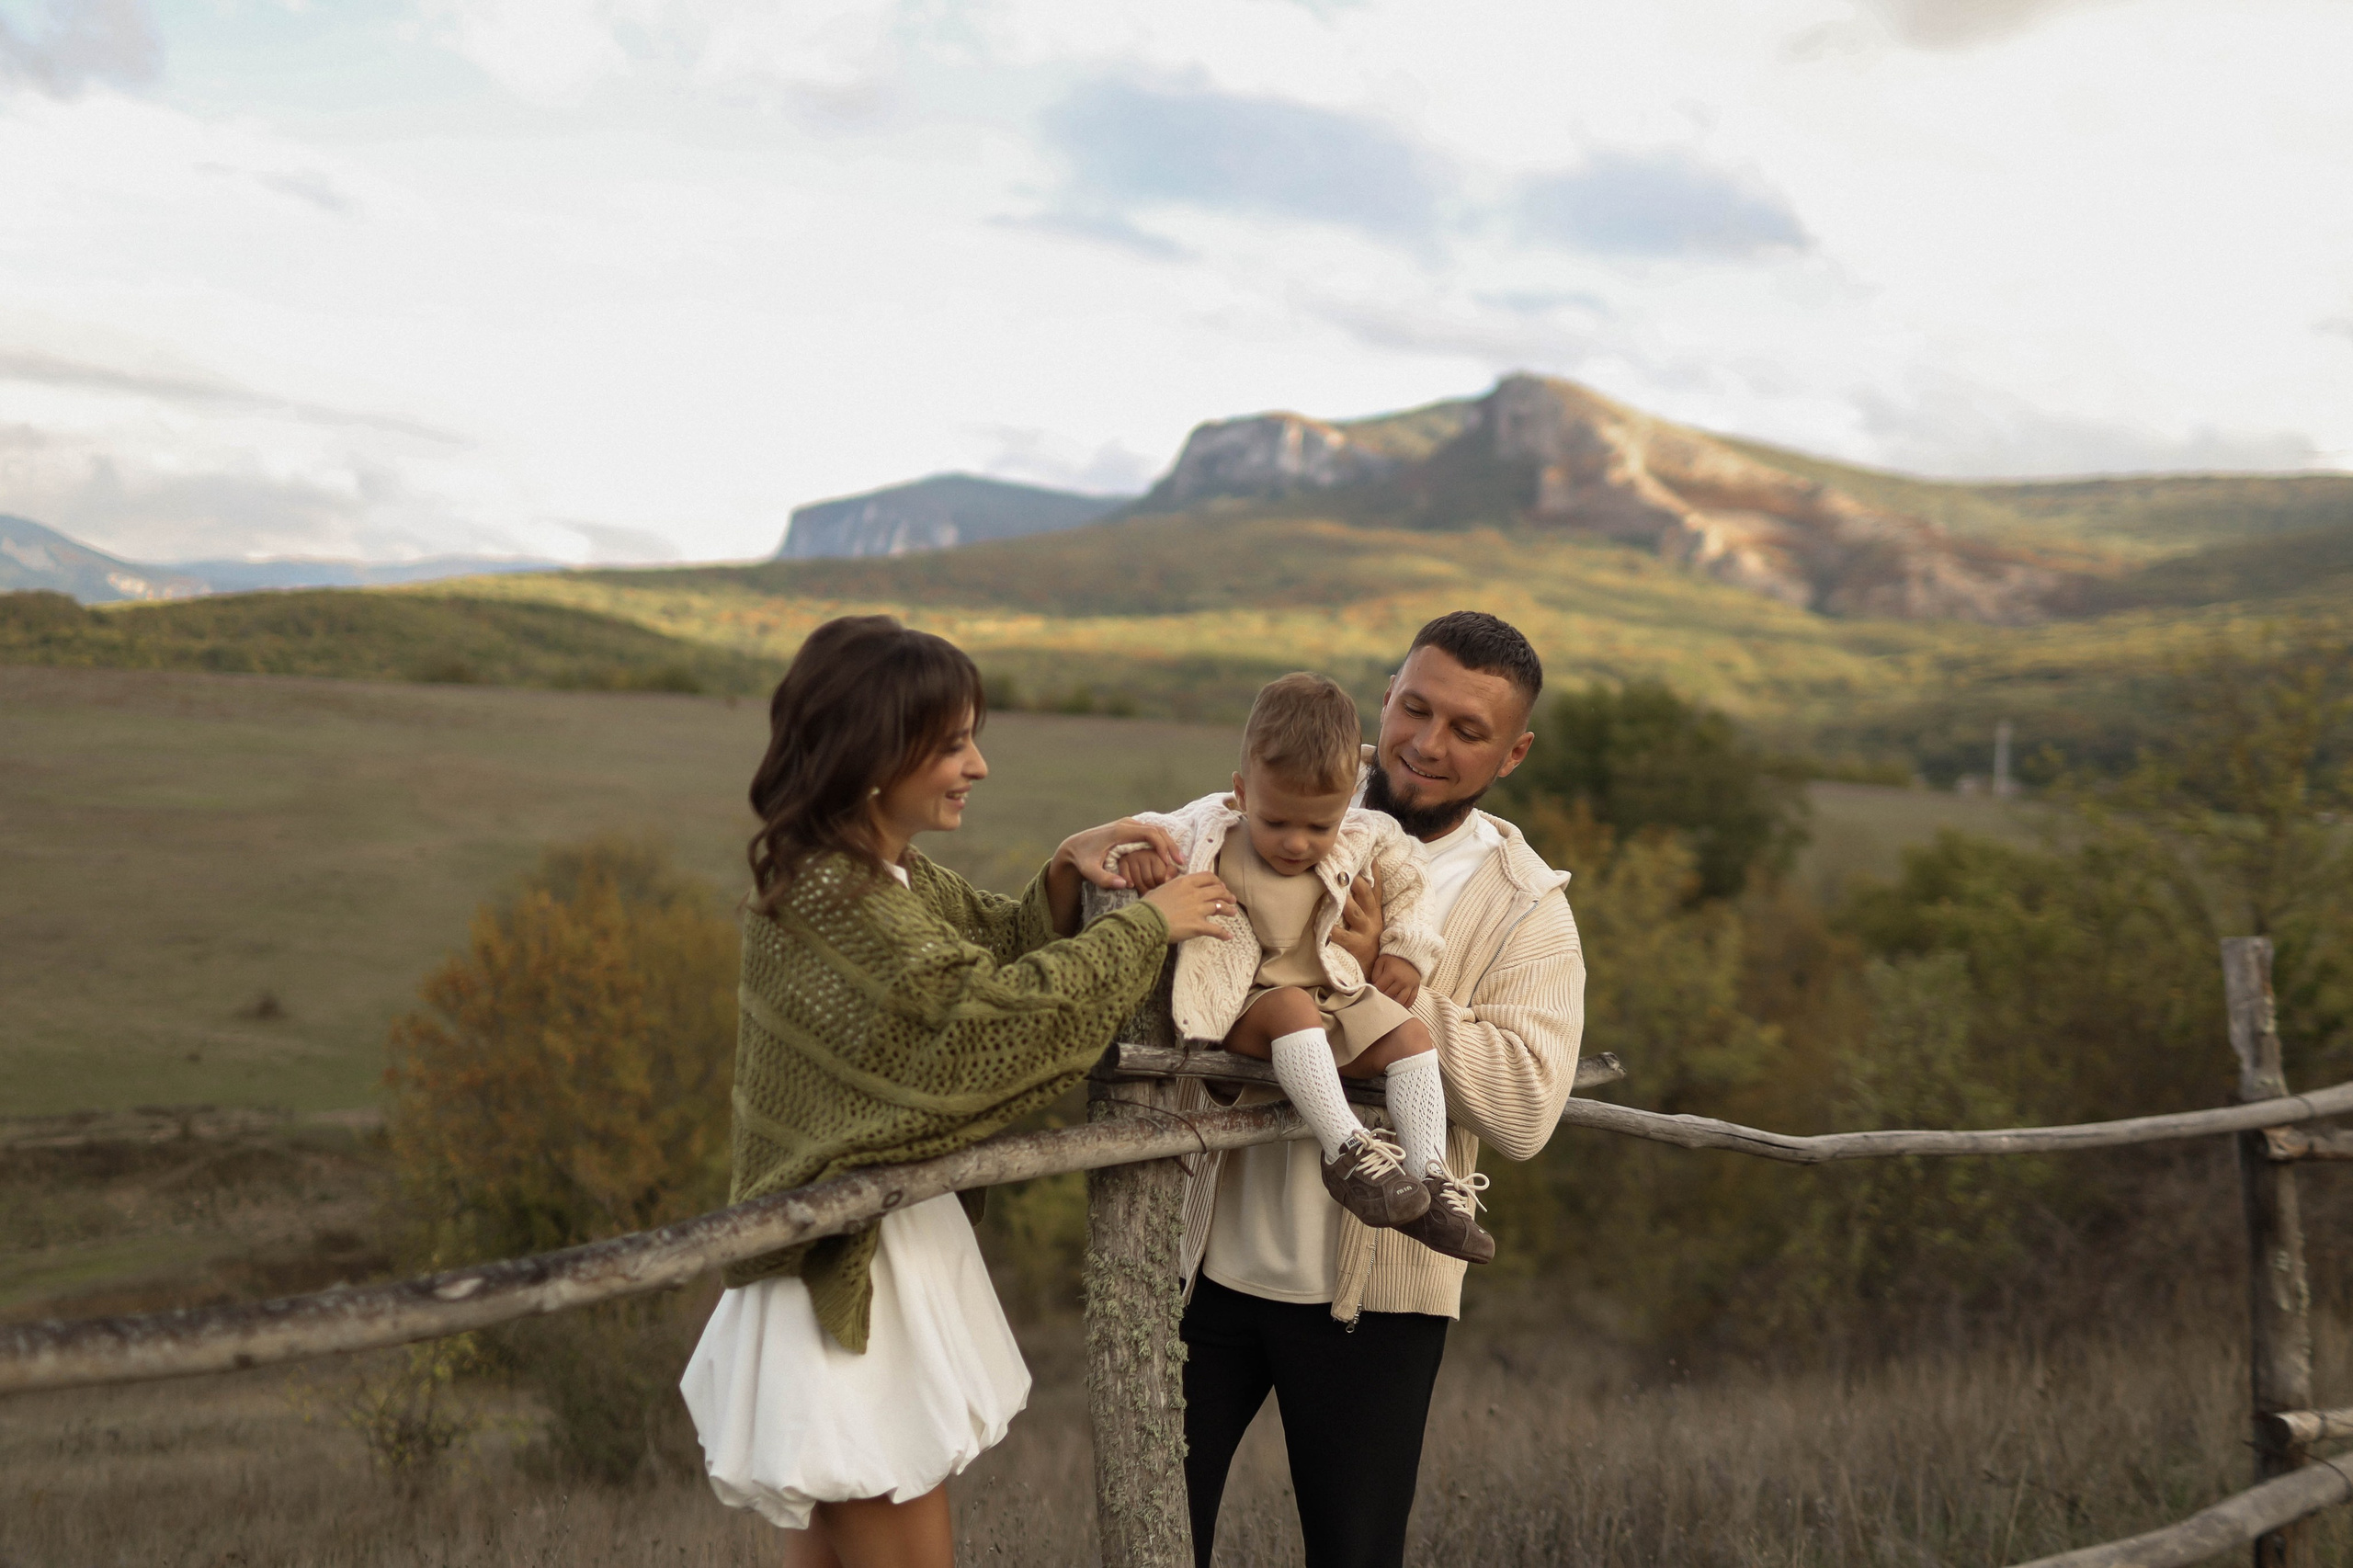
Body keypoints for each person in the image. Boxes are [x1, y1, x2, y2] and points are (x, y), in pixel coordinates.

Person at [678, 614, 1232, 1568]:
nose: (978, 765)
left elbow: (991, 947)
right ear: (872, 755)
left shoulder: (880, 875)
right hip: (849, 1280)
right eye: (952, 745)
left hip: (872, 1254)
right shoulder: (837, 898)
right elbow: (986, 1021)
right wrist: (1147, 926)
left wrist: (1064, 868)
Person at [1176, 611, 1586, 1568]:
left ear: (1513, 753)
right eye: (1416, 708)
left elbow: (1528, 1106)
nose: (1427, 744)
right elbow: (1154, 900)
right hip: (1199, 1265)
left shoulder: (1523, 904)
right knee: (1153, 1538)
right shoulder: (1270, 797)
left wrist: (1378, 985)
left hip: (1379, 1299)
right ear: (1387, 696)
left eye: (1467, 730)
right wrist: (1092, 850)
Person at [1112, 671, 1495, 1264]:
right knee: (1291, 1007)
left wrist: (1406, 949)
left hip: (1330, 996)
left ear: (1347, 804)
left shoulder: (1368, 834)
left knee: (1412, 1035)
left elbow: (1411, 880)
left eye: (1320, 826)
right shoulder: (1210, 827)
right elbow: (1138, 831)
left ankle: (1429, 1183)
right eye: (1277, 823)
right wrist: (1134, 851)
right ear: (1242, 793)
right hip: (1243, 1005)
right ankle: (1347, 1153)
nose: (1297, 843)